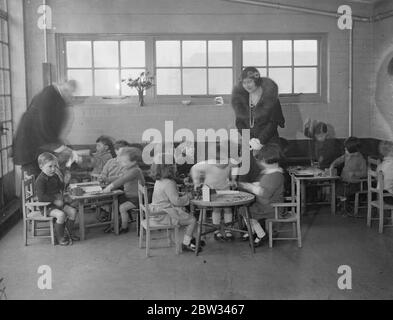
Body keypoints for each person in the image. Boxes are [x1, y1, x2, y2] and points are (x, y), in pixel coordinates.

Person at [231, 67, 285, 182]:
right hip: (249, 144)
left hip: (269, 143)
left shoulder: (271, 98)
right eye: (244, 82)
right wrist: (250, 139)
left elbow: (273, 122)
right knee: (245, 178)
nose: (247, 85)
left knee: (266, 180)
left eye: (249, 81)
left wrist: (260, 141)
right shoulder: (242, 99)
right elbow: (239, 123)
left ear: (257, 80)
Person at [14, 80, 78, 177]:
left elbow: (52, 129)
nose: (72, 97)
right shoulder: (49, 97)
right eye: (71, 94)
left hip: (37, 148)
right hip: (31, 150)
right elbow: (45, 127)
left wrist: (62, 146)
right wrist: (60, 147)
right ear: (66, 90)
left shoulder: (54, 96)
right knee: (34, 184)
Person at [149, 154, 201, 253]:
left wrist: (180, 195)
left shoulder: (159, 180)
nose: (175, 166)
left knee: (186, 214)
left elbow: (168, 195)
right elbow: (176, 201)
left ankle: (190, 238)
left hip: (157, 211)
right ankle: (186, 243)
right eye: (173, 165)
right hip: (164, 215)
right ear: (168, 168)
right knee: (193, 220)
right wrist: (188, 196)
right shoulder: (169, 183)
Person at [239, 144, 284, 247]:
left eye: (261, 161)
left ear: (268, 160)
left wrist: (250, 187)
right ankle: (254, 231)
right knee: (243, 210)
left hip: (271, 207)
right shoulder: (271, 173)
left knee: (246, 212)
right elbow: (265, 186)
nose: (260, 163)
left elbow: (265, 193)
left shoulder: (274, 176)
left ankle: (260, 234)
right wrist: (254, 185)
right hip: (266, 204)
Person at [190, 145, 238, 241]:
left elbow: (236, 165)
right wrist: (196, 182)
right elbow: (194, 168)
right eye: (219, 161)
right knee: (217, 209)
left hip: (225, 189)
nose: (222, 164)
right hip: (212, 191)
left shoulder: (230, 162)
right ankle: (216, 230)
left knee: (228, 209)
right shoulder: (207, 164)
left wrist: (233, 179)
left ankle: (228, 230)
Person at [35, 152, 79, 246]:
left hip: (57, 203)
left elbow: (60, 187)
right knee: (61, 215)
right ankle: (60, 237)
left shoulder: (54, 176)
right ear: (41, 166)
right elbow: (41, 197)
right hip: (47, 207)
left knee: (73, 211)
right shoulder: (40, 180)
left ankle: (68, 234)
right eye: (50, 166)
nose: (53, 169)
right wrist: (55, 200)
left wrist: (65, 182)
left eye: (55, 166)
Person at [103, 147, 145, 234]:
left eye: (124, 162)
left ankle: (124, 227)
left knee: (122, 207)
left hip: (137, 198)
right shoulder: (128, 168)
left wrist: (110, 186)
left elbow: (123, 179)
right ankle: (113, 224)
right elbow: (120, 177)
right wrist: (107, 179)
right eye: (121, 161)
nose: (122, 164)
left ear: (133, 162)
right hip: (128, 195)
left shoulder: (135, 171)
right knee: (115, 202)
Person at [330, 137, 367, 215]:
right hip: (344, 181)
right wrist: (333, 165)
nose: (345, 150)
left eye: (346, 148)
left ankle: (345, 207)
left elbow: (365, 173)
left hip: (354, 183)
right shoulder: (347, 155)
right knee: (335, 187)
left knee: (342, 190)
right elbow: (339, 160)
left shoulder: (360, 159)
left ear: (352, 149)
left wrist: (354, 173)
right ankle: (344, 205)